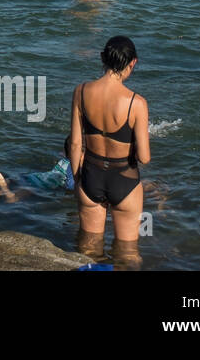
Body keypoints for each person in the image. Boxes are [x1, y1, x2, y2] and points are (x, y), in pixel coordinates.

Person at [70, 36, 150, 263]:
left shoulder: (81, 91)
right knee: (128, 253)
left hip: (90, 177)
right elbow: (144, 157)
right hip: (124, 180)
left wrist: (78, 179)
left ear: (101, 58)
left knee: (88, 250)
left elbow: (76, 144)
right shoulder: (137, 102)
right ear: (133, 63)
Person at [0, 138, 75, 203]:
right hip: (39, 185)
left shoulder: (65, 159)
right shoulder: (75, 167)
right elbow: (70, 187)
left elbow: (63, 151)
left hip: (31, 176)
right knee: (13, 198)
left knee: (11, 181)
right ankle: (4, 189)